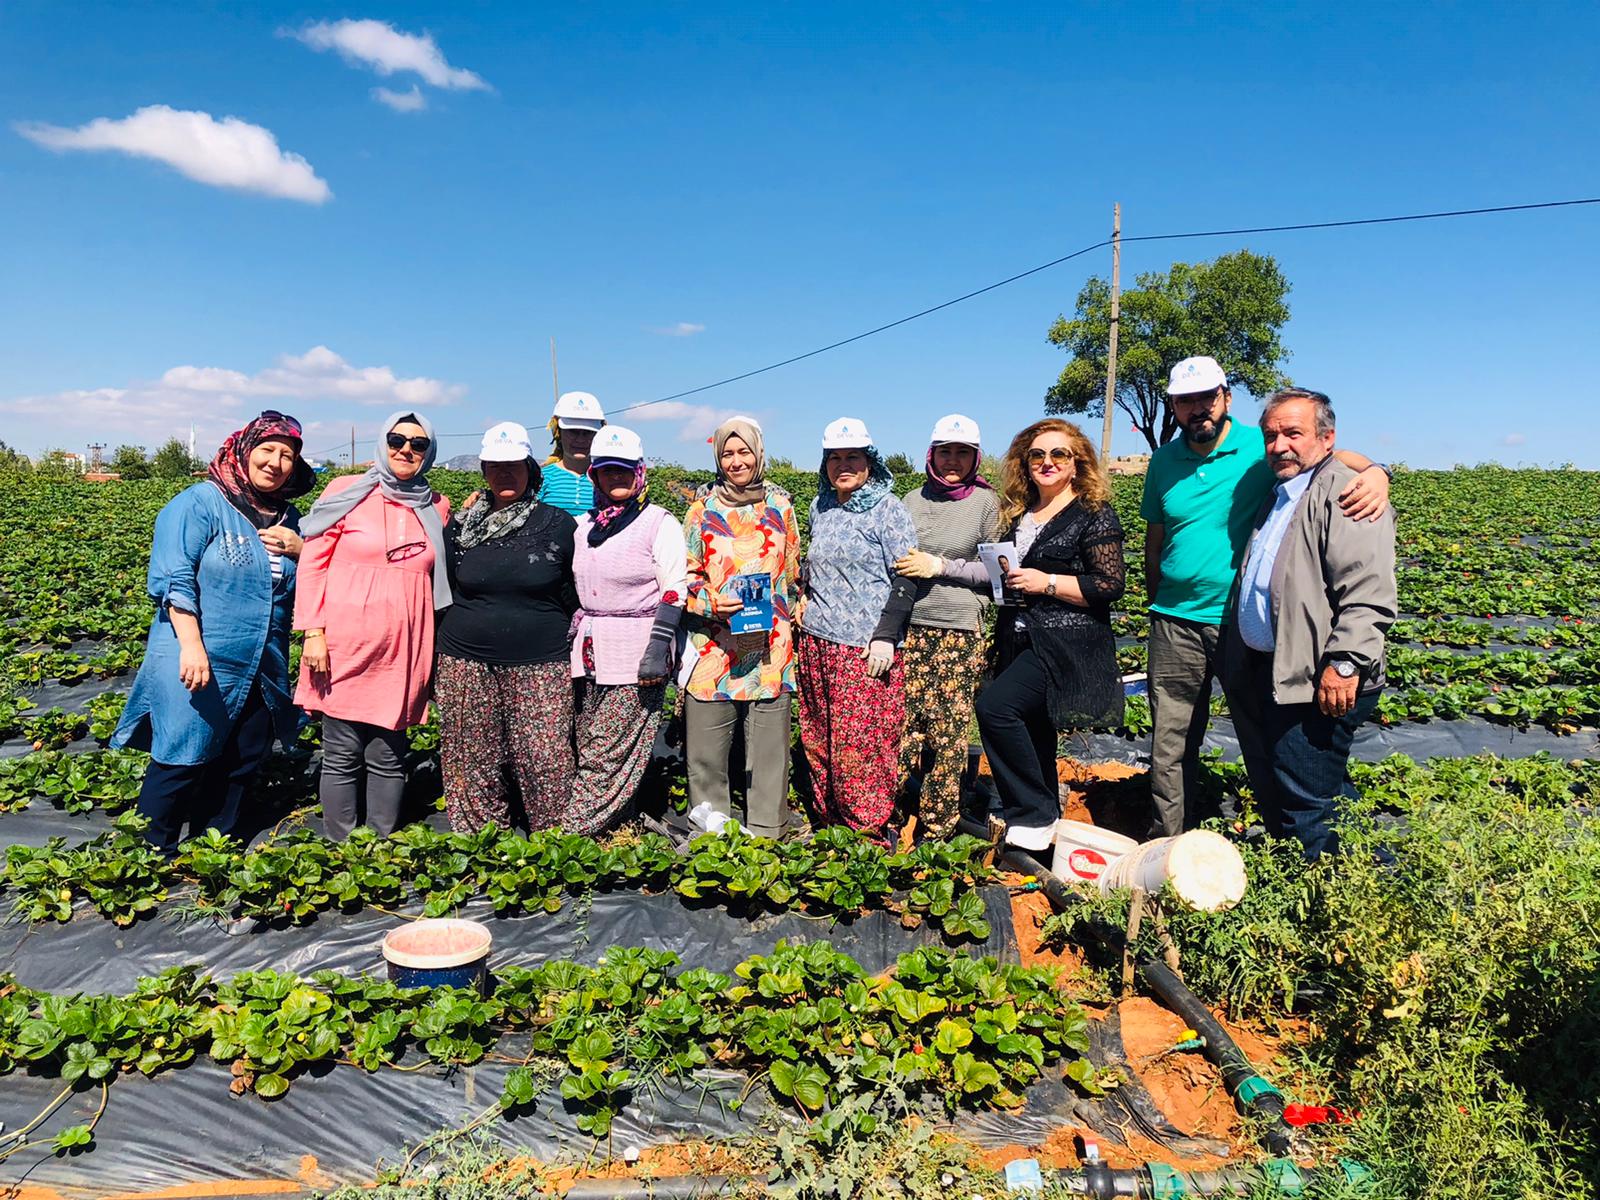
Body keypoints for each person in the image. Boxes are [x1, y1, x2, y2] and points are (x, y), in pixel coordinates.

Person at [1142, 355, 1392, 838]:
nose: (1197, 408)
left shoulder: (1262, 444)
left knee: (1266, 740)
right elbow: (1155, 540)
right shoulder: (1164, 461)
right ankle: (1169, 843)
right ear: (1173, 407)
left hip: (1239, 627)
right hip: (1175, 621)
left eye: (1207, 396)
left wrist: (1378, 472)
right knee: (1170, 743)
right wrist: (1158, 601)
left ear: (1226, 398)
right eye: (1185, 400)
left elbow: (1330, 454)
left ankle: (1293, 840)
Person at [113, 411, 314, 855]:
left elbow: (313, 581)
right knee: (181, 754)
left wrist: (304, 549)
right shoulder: (200, 503)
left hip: (262, 662)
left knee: (243, 757)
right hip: (200, 653)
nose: (276, 462)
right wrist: (191, 646)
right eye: (267, 450)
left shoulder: (290, 518)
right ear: (244, 450)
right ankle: (152, 851)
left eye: (287, 455)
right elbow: (174, 577)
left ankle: (212, 849)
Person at [932, 419, 1126, 850]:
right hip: (1018, 637)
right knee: (1034, 726)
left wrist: (1047, 582)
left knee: (996, 709)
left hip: (1064, 643)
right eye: (1037, 455)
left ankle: (1031, 813)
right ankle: (1045, 818)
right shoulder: (1020, 514)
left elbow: (1109, 584)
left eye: (1059, 454)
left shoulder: (1092, 514)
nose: (1047, 462)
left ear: (1077, 463)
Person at [1220, 389, 1396, 860]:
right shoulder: (1283, 492)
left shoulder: (1346, 494)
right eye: (1271, 435)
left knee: (1310, 802)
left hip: (1318, 676)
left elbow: (1368, 592)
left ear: (1326, 438)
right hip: (1281, 669)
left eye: (1293, 433)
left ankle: (1331, 888)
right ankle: (1368, 874)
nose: (1279, 445)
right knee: (1313, 784)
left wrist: (1345, 663)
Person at [294, 412, 452, 840]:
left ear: (429, 452)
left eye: (418, 444)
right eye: (397, 440)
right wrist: (313, 632)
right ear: (382, 443)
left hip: (404, 647)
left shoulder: (436, 505)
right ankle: (340, 842)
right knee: (341, 752)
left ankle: (379, 844)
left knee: (388, 753)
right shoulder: (345, 491)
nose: (406, 450)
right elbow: (312, 565)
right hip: (343, 641)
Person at [435, 422, 578, 832]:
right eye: (495, 466)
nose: (504, 474)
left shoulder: (557, 524)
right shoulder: (461, 526)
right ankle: (481, 841)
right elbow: (447, 586)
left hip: (541, 660)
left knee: (545, 757)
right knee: (471, 756)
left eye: (513, 465)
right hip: (465, 659)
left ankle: (552, 840)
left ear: (530, 468)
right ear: (483, 470)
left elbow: (574, 593)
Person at [795, 417, 919, 841]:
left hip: (863, 648)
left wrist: (886, 635)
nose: (843, 465)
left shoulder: (888, 509)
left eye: (853, 457)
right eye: (835, 457)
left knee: (861, 746)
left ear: (870, 462)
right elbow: (816, 563)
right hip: (816, 641)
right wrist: (804, 593)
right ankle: (830, 827)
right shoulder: (821, 506)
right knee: (818, 739)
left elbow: (906, 577)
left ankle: (866, 835)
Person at [681, 417, 800, 837]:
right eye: (728, 454)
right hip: (714, 646)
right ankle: (712, 838)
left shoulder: (781, 508)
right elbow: (685, 576)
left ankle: (768, 834)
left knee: (769, 753)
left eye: (744, 452)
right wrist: (710, 601)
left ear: (758, 454)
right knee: (706, 753)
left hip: (769, 648)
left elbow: (791, 573)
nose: (736, 462)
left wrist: (792, 606)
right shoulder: (701, 511)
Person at [569, 425, 687, 835]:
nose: (615, 477)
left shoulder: (658, 523)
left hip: (636, 654)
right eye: (606, 470)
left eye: (623, 469)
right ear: (595, 475)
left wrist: (657, 649)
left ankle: (570, 834)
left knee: (607, 751)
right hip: (588, 652)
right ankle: (614, 826)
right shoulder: (583, 527)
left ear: (639, 472)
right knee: (587, 742)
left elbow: (674, 590)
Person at [891, 414, 1004, 840]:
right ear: (931, 455)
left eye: (962, 452)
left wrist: (941, 566)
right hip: (910, 627)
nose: (952, 460)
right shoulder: (911, 500)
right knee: (902, 727)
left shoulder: (986, 504)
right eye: (945, 451)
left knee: (947, 730)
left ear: (975, 457)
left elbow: (997, 573)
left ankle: (936, 827)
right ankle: (890, 815)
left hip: (959, 629)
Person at [537, 390, 606, 518]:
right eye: (573, 431)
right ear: (558, 432)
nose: (580, 439)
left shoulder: (607, 480)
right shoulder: (541, 479)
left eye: (588, 432)